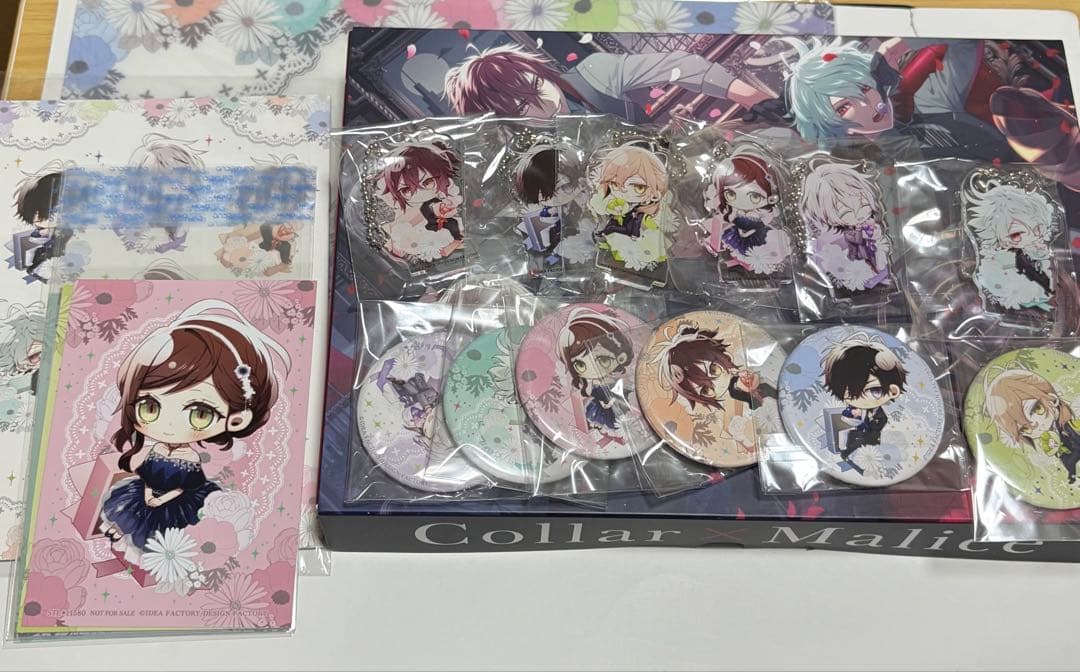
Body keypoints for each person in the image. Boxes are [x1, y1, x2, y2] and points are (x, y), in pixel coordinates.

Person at [99, 300, 290, 550]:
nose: (169, 425)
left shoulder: (189, 457)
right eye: (149, 407)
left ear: (236, 419)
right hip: (147, 496)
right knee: (128, 515)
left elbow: (187, 487)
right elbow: (144, 475)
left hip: (174, 503)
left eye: (200, 413)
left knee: (162, 539)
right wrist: (148, 495)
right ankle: (123, 533)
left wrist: (161, 500)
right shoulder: (155, 449)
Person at [821, 334, 907, 462]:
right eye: (850, 395)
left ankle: (848, 455)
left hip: (872, 437)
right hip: (862, 434)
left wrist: (868, 427)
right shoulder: (857, 408)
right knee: (851, 435)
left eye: (875, 390)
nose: (862, 399)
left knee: (858, 439)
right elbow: (846, 415)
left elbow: (879, 424)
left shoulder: (880, 415)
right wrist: (854, 415)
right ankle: (847, 455)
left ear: (893, 391)